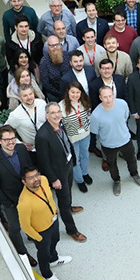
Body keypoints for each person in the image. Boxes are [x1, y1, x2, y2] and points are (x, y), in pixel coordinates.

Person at [35, 102, 86, 243]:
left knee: (68, 191)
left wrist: (73, 161)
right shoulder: (42, 136)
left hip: (67, 165)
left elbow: (67, 144)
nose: (57, 115)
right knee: (62, 202)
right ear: (46, 115)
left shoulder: (60, 124)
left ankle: (69, 206)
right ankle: (72, 230)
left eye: (58, 111)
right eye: (53, 113)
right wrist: (53, 179)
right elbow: (44, 162)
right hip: (58, 174)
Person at [0, 126, 37, 268]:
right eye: (7, 140)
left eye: (13, 138)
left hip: (27, 195)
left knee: (30, 218)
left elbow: (29, 167)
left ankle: (30, 235)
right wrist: (7, 203)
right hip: (11, 201)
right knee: (15, 228)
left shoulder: (21, 149)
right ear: (0, 141)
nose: (11, 142)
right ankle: (23, 254)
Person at [16, 166, 68, 280]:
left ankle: (54, 259)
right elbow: (25, 226)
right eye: (31, 178)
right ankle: (47, 274)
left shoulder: (44, 180)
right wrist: (38, 238)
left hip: (53, 220)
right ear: (24, 182)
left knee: (55, 240)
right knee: (43, 253)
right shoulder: (24, 203)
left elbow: (48, 197)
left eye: (36, 175)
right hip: (41, 231)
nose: (36, 179)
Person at [90, 86, 140, 196]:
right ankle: (116, 180)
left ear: (113, 95)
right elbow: (95, 131)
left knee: (132, 159)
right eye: (105, 97)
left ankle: (134, 174)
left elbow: (125, 117)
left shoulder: (122, 104)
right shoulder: (95, 115)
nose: (108, 99)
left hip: (125, 140)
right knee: (112, 164)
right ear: (100, 98)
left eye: (110, 96)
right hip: (108, 145)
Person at [60, 82, 93, 192]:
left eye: (77, 92)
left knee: (85, 156)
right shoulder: (61, 106)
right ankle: (79, 180)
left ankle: (85, 173)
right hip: (72, 139)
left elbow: (89, 116)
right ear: (68, 92)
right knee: (75, 160)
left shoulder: (85, 101)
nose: (75, 95)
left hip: (85, 135)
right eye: (72, 92)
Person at [5, 85, 47, 153]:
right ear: (20, 98)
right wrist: (19, 143)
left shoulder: (42, 103)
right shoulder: (16, 115)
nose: (29, 97)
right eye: (25, 96)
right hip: (33, 150)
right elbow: (5, 131)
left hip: (49, 143)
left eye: (30, 94)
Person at [40, 36, 71, 102]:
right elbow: (46, 83)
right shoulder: (44, 61)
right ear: (48, 47)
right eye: (52, 46)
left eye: (57, 45)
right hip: (55, 93)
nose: (55, 48)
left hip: (70, 89)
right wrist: (60, 94)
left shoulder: (67, 55)